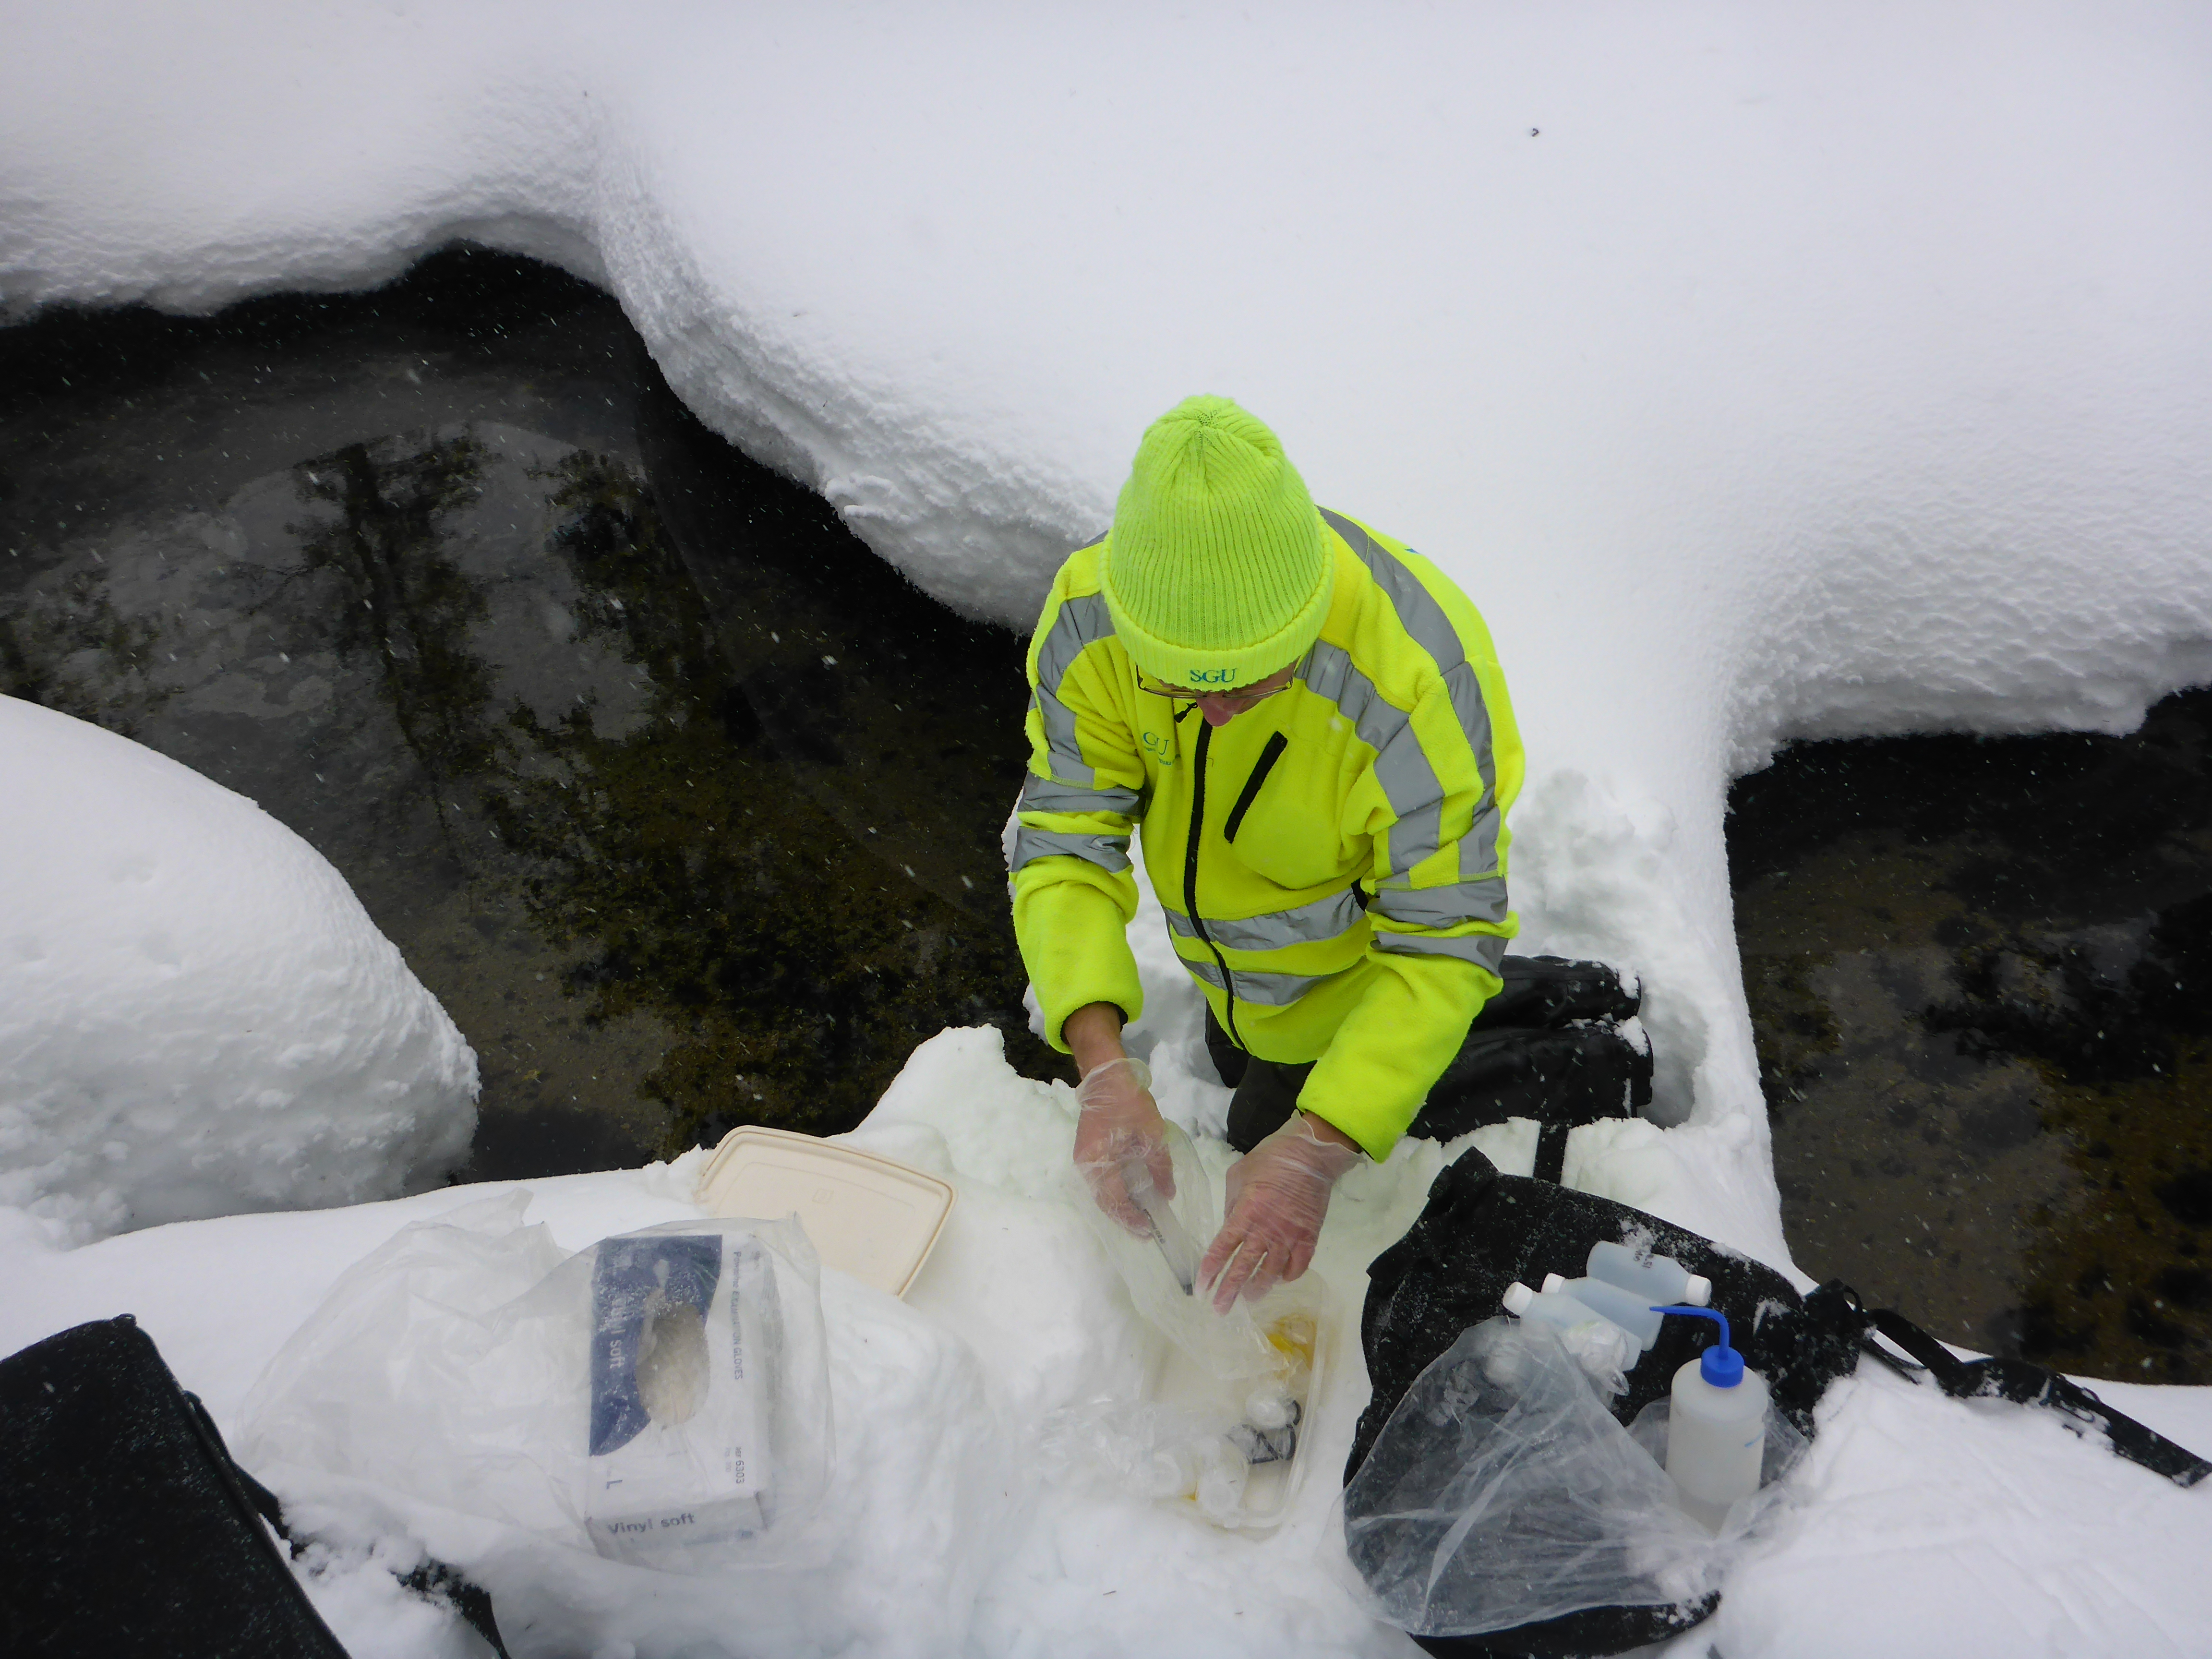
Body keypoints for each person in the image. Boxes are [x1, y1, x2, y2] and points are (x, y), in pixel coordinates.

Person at [1010, 395, 1523, 1313]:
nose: (1213, 713)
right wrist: (1101, 1064)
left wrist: (1321, 1144)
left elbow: (1442, 944)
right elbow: (1067, 839)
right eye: (1176, 684)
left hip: (1351, 994)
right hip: (1227, 975)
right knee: (1235, 1055)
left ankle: (1495, 1038)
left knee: (1271, 1130)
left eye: (1252, 683)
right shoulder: (1092, 622)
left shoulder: (1416, 688)